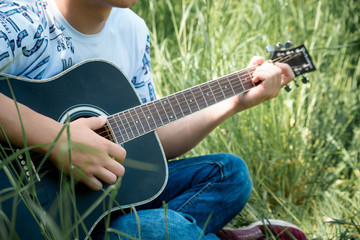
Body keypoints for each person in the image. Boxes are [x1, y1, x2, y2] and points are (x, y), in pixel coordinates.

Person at [0, 0, 307, 239]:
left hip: (101, 200)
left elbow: (150, 139)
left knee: (231, 174)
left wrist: (234, 102)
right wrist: (58, 140)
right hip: (24, 214)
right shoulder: (21, 19)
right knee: (160, 231)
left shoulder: (132, 31)